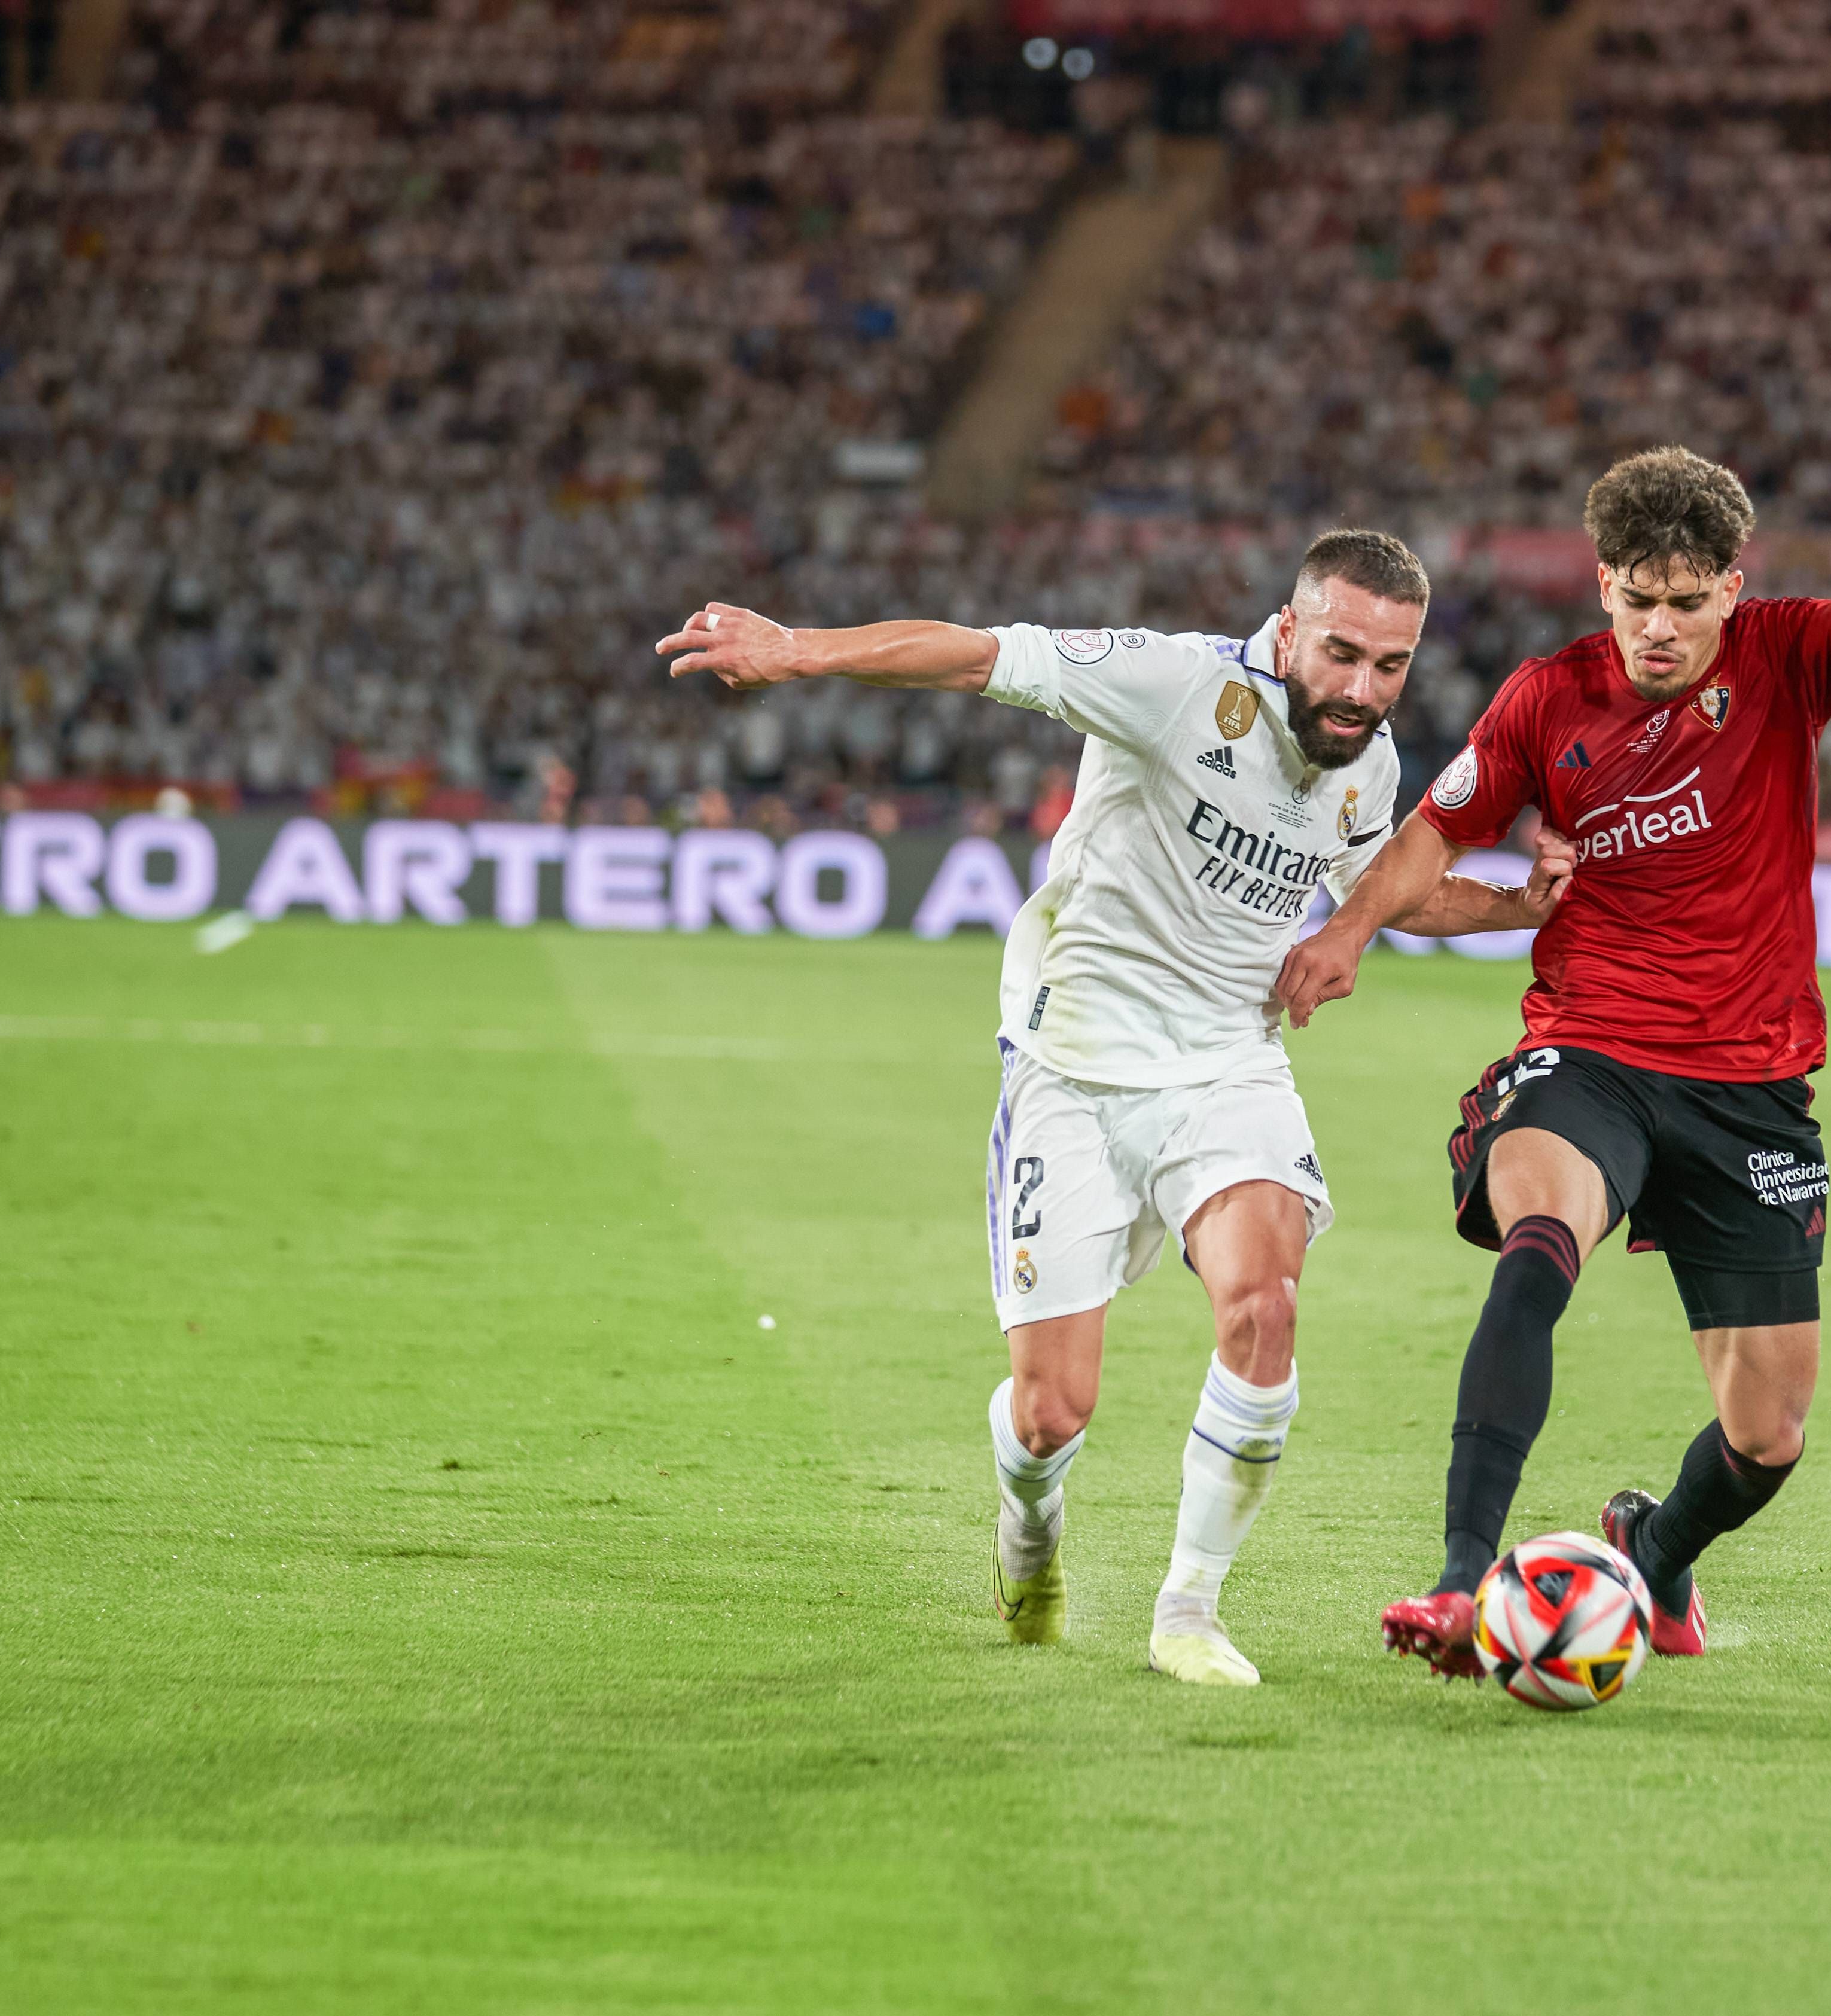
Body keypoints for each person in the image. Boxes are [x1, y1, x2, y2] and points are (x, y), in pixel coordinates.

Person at [656, 532, 1569, 1685]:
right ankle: (1029, 1529)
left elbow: (1381, 887)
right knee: (1051, 1417)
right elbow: (977, 657)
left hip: (1228, 1067)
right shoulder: (1176, 685)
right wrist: (798, 652)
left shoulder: (1368, 765)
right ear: (1288, 630)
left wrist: (1516, 906)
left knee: (1266, 1307)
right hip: (1074, 1070)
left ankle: (1189, 1608)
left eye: (1390, 667)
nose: (1361, 689)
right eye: (1341, 654)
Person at [1272, 435, 1831, 1677]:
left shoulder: (1788, 657)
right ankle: (1460, 1581)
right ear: (1602, 581)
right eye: (1638, 598)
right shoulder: (1546, 697)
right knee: (1539, 1245)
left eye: (1686, 601)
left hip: (1754, 1087)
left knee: (1769, 1433)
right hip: (1592, 1049)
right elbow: (1427, 835)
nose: (1659, 628)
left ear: (1733, 586)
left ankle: (1654, 1555)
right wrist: (1350, 928)